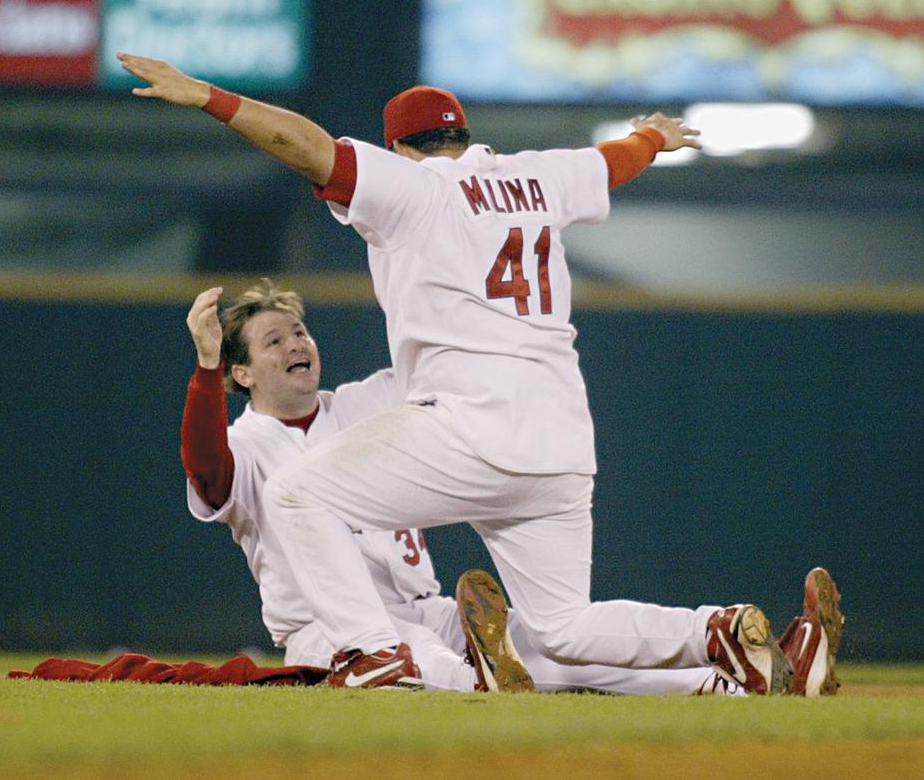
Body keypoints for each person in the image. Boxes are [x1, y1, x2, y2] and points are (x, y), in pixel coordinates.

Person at [122, 51, 843, 696]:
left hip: (470, 423)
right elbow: (612, 163)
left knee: (297, 494)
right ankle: (720, 635)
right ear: (463, 135)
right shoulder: (540, 174)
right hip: (561, 438)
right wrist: (653, 137)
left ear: (400, 148)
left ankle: (375, 654)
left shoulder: (413, 189)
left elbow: (305, 146)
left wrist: (211, 98)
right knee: (559, 626)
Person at [180, 279, 738, 694]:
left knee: (548, 647)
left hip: (429, 606)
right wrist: (207, 367)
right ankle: (480, 683)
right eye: (273, 341)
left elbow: (451, 373)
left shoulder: (365, 400)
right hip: (327, 631)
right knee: (419, 660)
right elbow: (206, 470)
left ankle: (723, 685)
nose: (296, 344)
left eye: (299, 331)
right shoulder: (246, 443)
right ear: (243, 374)